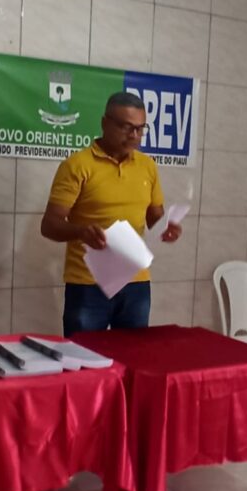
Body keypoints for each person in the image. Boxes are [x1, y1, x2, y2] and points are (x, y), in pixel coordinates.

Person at [40, 91, 182, 334]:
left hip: (136, 282)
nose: (134, 135)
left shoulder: (147, 166)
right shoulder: (77, 166)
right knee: (85, 354)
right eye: (126, 127)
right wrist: (81, 231)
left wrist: (167, 227)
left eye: (140, 128)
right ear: (105, 123)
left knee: (133, 354)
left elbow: (155, 218)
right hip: (88, 284)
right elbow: (49, 225)